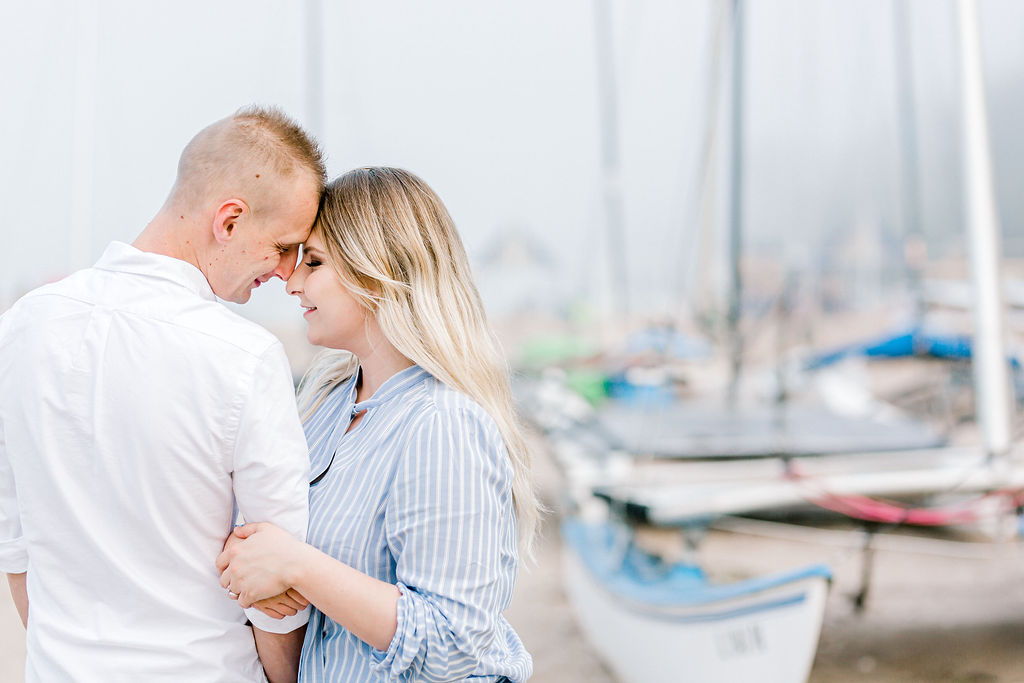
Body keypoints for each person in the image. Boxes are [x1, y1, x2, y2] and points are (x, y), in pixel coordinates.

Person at [0, 106, 324, 682]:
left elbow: (16, 545)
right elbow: (277, 579)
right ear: (228, 221)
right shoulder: (243, 358)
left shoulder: (21, 327)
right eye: (281, 246)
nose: (283, 271)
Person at [216, 167, 539, 681]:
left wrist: (297, 567)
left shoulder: (442, 423)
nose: (293, 282)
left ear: (378, 271)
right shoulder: (326, 408)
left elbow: (455, 646)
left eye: (314, 262)